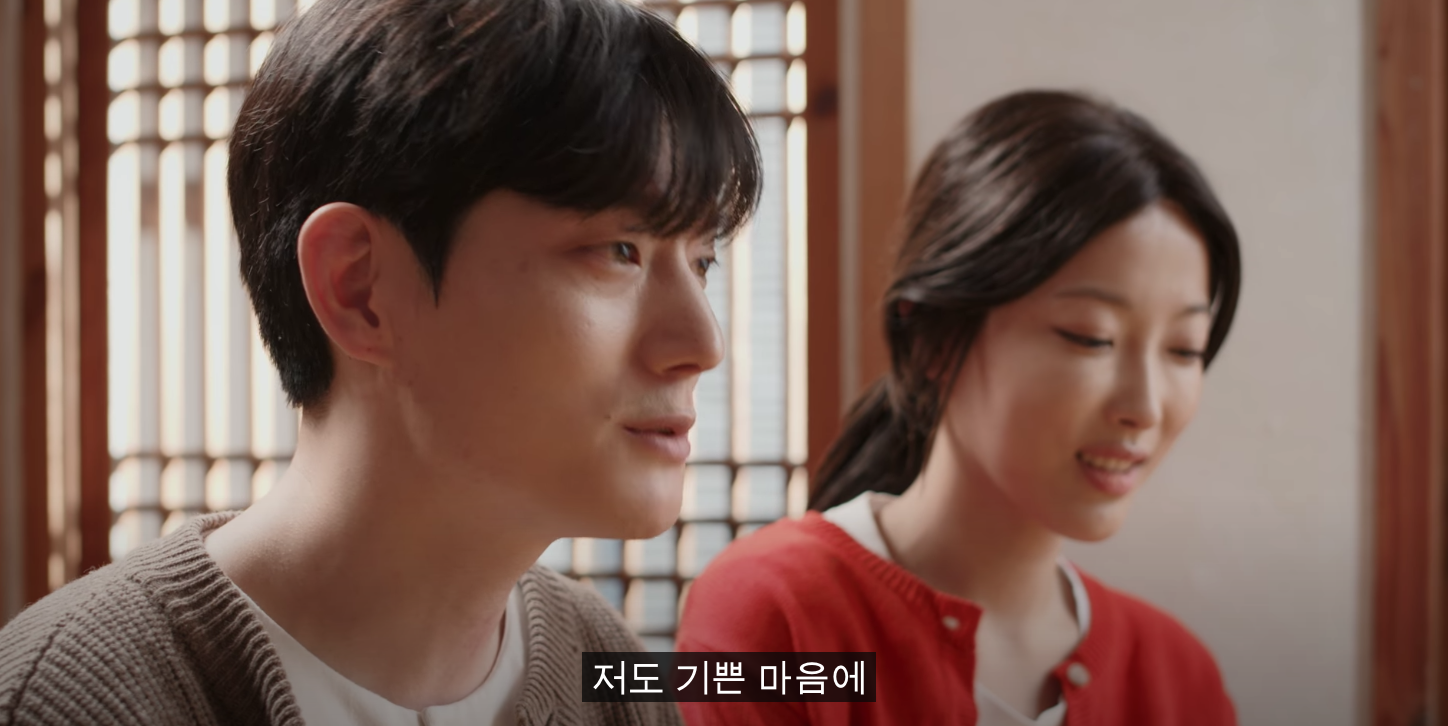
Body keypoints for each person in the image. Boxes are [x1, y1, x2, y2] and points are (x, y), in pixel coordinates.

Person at [0, 0, 759, 724]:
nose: (703, 343)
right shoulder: (59, 703)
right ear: (359, 288)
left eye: (702, 262)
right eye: (619, 251)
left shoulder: (608, 670)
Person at [675, 90, 1242, 726]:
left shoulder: (1179, 678)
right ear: (933, 340)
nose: (1145, 407)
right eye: (1091, 337)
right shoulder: (776, 611)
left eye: (1184, 349)